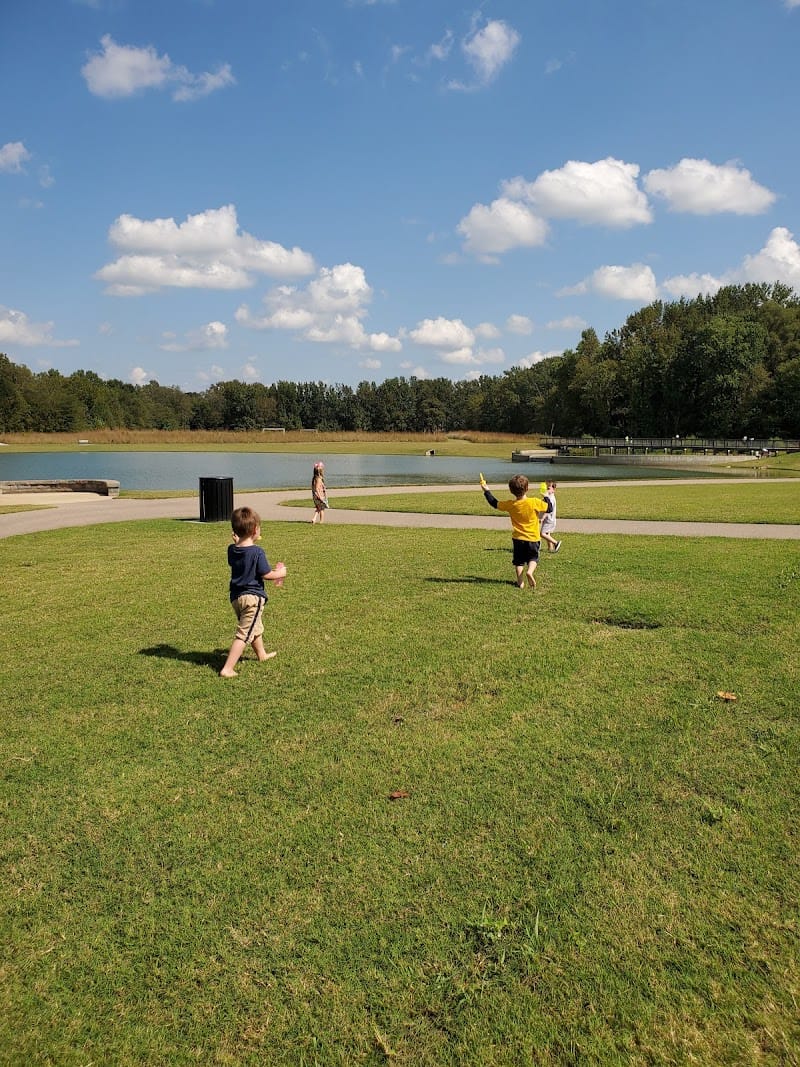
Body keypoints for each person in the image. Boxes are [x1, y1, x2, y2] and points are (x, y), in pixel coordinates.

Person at [220, 505, 286, 678]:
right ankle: (227, 668)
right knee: (244, 634)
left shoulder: (232, 549)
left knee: (254, 626)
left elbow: (239, 553)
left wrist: (238, 542)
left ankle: (261, 654)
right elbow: (266, 574)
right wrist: (281, 573)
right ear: (255, 530)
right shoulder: (257, 552)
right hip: (252, 598)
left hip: (236, 598)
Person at [481, 473, 552, 589]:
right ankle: (530, 571)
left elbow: (494, 503)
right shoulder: (534, 502)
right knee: (533, 558)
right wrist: (546, 496)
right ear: (527, 489)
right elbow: (549, 508)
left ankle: (520, 582)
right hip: (533, 538)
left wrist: (486, 490)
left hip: (518, 539)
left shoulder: (511, 504)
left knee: (518, 562)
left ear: (511, 490)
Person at [539, 481, 562, 553]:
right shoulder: (549, 497)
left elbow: (548, 510)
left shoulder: (551, 498)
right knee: (547, 534)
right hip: (550, 519)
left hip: (549, 520)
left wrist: (542, 518)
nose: (547, 490)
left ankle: (556, 543)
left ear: (553, 490)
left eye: (548, 488)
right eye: (546, 488)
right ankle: (550, 548)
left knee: (542, 534)